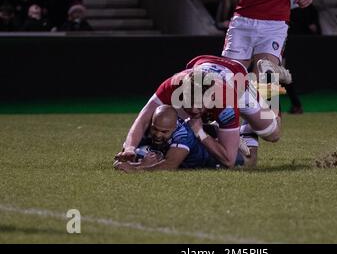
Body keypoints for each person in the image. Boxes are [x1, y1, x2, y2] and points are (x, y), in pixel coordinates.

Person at [116, 55, 281, 169]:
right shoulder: (172, 86)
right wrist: (129, 147)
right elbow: (142, 119)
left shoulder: (226, 100)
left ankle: (272, 83)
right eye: (190, 105)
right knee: (164, 117)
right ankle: (238, 131)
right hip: (203, 66)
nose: (194, 111)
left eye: (199, 107)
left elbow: (229, 161)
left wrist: (200, 132)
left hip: (239, 84)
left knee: (272, 134)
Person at [114, 105, 255, 172]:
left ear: (174, 128)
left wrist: (138, 167)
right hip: (197, 141)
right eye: (155, 129)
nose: (158, 134)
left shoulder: (182, 135)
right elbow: (129, 150)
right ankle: (216, 130)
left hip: (216, 158)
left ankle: (247, 128)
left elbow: (170, 165)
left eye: (164, 131)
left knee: (249, 160)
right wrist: (128, 155)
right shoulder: (151, 128)